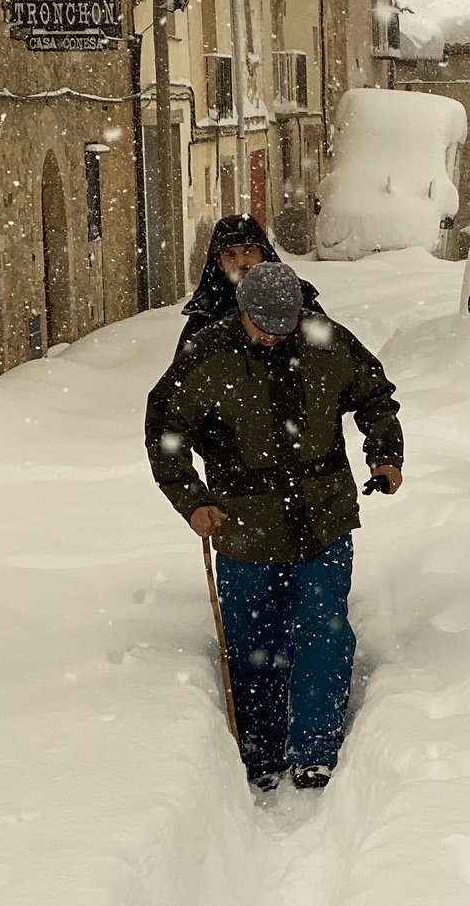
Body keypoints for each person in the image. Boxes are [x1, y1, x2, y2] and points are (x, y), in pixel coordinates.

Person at [146, 262, 404, 791]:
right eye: (262, 322)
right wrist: (191, 501)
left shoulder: (326, 340)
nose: (273, 333)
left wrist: (385, 454)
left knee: (323, 631)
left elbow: (375, 396)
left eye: (283, 323)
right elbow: (165, 429)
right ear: (242, 311)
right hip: (243, 521)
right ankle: (259, 752)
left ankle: (315, 748)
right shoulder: (208, 356)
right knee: (251, 640)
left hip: (323, 514)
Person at [177, 215, 323, 354]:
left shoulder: (296, 301)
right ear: (220, 263)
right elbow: (185, 375)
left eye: (249, 251)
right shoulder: (205, 316)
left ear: (263, 255)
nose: (241, 263)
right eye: (230, 254)